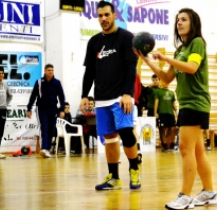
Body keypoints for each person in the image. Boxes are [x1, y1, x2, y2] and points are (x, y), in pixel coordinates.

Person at [134, 8, 217, 209]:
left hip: (196, 103)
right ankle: (209, 192)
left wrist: (165, 58)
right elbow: (166, 78)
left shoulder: (197, 43)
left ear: (193, 23)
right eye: (177, 20)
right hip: (187, 103)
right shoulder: (180, 50)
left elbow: (191, 67)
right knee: (198, 152)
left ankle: (185, 196)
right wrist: (146, 60)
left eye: (183, 19)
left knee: (184, 149)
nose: (179, 23)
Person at [80, 0, 140, 190]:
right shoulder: (94, 42)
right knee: (110, 138)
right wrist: (84, 95)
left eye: (107, 14)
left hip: (120, 97)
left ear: (115, 15)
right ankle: (114, 177)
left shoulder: (126, 37)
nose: (104, 18)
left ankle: (134, 169)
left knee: (126, 132)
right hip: (101, 98)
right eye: (100, 16)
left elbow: (132, 67)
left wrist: (127, 94)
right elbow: (89, 71)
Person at [27, 64, 65, 158]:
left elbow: (61, 96)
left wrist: (62, 109)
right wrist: (29, 108)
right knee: (44, 128)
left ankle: (47, 150)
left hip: (53, 108)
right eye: (48, 70)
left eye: (52, 70)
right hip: (41, 108)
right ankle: (44, 148)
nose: (50, 71)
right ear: (45, 71)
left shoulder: (57, 83)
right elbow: (33, 96)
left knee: (51, 129)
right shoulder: (39, 82)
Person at [154, 80, 177, 151]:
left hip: (170, 114)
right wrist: (155, 112)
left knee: (173, 129)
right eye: (164, 82)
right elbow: (156, 102)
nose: (165, 83)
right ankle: (164, 146)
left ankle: (172, 145)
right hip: (162, 113)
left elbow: (173, 104)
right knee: (162, 129)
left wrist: (177, 111)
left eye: (166, 82)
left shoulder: (171, 93)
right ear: (161, 83)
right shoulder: (159, 91)